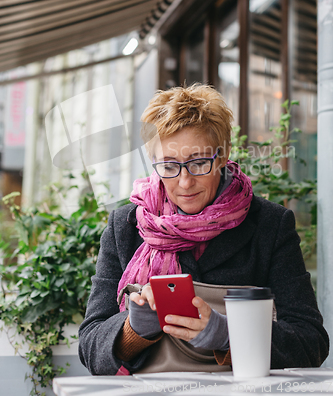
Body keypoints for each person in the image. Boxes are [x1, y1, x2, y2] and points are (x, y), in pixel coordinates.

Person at [78, 83, 329, 375]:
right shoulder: (125, 227)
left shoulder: (269, 226)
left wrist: (228, 334)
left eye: (199, 163)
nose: (185, 182)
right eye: (169, 166)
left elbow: (311, 343)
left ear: (222, 157)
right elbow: (90, 345)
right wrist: (134, 328)